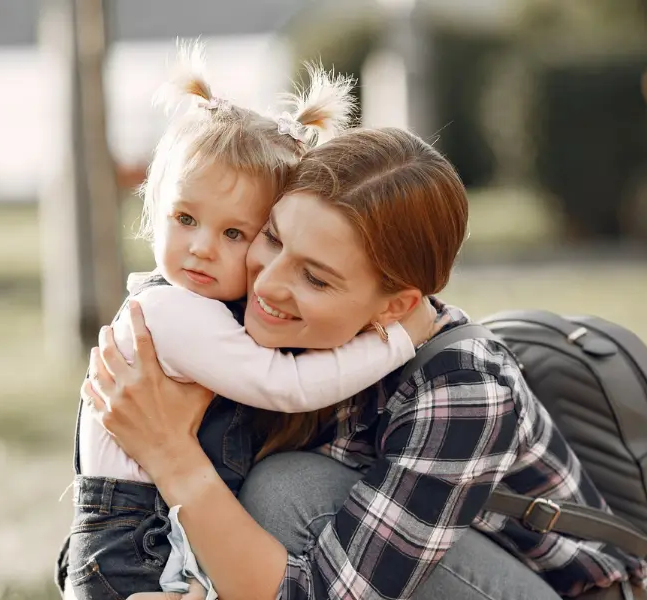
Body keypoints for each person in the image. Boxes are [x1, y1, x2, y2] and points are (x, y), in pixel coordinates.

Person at [81, 125, 647, 600]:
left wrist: (170, 453)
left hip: (557, 591)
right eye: (272, 238)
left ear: (398, 306)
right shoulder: (229, 302)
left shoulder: (463, 389)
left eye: (315, 276)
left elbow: (324, 595)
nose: (268, 285)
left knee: (286, 492)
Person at [55, 42, 437, 600]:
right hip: (137, 544)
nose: (202, 249)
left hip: (154, 530)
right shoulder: (174, 312)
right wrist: (400, 338)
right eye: (185, 218)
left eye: (236, 234)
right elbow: (289, 386)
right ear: (154, 206)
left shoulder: (206, 311)